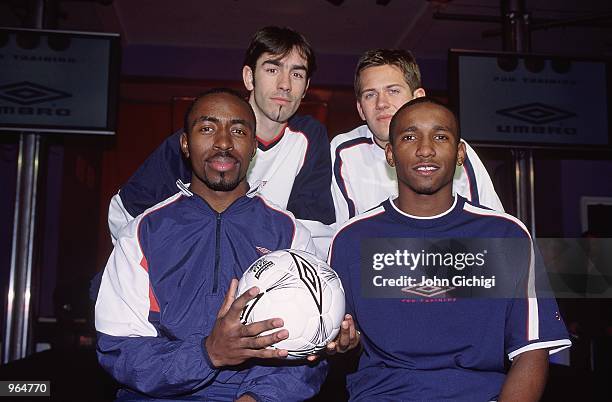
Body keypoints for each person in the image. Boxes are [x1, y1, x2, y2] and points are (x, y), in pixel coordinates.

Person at [328, 97, 571, 401]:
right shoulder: (352, 239)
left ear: (459, 154)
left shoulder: (506, 236)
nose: (425, 149)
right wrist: (341, 343)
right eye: (409, 136)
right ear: (390, 154)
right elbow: (334, 343)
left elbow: (532, 350)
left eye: (440, 137)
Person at [95, 89, 328, 401]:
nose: (223, 143)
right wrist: (208, 353)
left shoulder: (290, 233)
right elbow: (119, 348)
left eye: (238, 131)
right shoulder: (141, 233)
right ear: (185, 144)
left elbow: (307, 349)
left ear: (254, 147)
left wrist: (256, 397)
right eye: (207, 128)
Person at [108, 26, 335, 252]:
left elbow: (313, 237)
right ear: (249, 77)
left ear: (305, 87)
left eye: (297, 74)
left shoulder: (309, 138)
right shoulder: (205, 137)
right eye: (272, 70)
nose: (285, 85)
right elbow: (124, 213)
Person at [331, 49, 504, 226]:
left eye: (393, 91)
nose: (381, 103)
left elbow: (494, 230)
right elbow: (340, 236)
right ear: (360, 109)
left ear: (417, 97)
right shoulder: (344, 152)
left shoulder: (451, 150)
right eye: (370, 95)